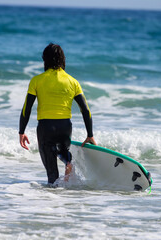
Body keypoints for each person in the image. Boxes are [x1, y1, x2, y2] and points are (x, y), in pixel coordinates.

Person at [19, 43, 96, 186]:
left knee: (52, 174)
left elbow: (26, 108)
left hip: (45, 127)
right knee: (63, 150)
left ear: (45, 60)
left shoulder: (37, 80)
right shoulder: (73, 81)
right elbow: (85, 110)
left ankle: (52, 203)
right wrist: (90, 134)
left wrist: (21, 131)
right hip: (65, 126)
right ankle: (68, 161)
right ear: (63, 60)